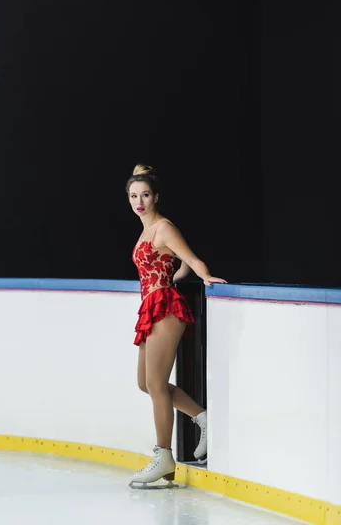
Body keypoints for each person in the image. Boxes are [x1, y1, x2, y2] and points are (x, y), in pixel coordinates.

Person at [126, 164, 227, 488]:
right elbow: (173, 263)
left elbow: (191, 257)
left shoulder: (163, 227)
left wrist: (203, 274)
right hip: (151, 305)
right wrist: (176, 274)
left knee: (156, 384)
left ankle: (164, 455)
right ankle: (202, 417)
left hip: (165, 308)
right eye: (133, 196)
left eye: (144, 195)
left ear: (156, 197)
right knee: (145, 383)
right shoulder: (146, 230)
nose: (138, 201)